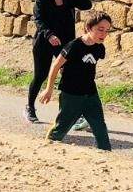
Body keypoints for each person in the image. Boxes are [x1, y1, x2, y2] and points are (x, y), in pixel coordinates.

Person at [25, 0, 92, 123]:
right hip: (44, 42)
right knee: (40, 75)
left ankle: (72, 112)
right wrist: (49, 35)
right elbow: (38, 19)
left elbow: (87, 5)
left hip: (65, 44)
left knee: (69, 75)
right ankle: (29, 107)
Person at [40, 12, 114, 149]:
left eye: (107, 30)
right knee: (62, 127)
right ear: (89, 27)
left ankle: (105, 153)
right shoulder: (74, 46)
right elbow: (56, 66)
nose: (103, 34)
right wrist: (48, 89)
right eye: (100, 29)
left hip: (90, 93)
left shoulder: (99, 48)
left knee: (99, 125)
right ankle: (47, 148)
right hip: (71, 94)